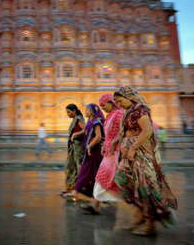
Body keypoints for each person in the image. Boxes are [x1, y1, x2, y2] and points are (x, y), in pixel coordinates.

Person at [113, 86, 177, 236]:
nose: (118, 104)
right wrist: (118, 143)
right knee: (122, 181)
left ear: (129, 96)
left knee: (144, 188)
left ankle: (149, 224)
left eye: (119, 100)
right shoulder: (128, 111)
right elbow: (126, 132)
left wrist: (133, 147)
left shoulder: (140, 110)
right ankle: (141, 215)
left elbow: (147, 130)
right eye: (116, 101)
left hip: (141, 154)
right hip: (128, 155)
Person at [83, 94, 124, 213]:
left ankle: (130, 205)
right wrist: (104, 145)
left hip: (116, 152)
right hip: (108, 153)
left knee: (106, 178)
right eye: (100, 106)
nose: (103, 108)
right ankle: (96, 205)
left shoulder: (119, 114)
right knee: (102, 178)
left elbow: (123, 131)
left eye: (104, 105)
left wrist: (114, 142)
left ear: (111, 102)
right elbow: (107, 135)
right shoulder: (110, 115)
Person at [73, 103, 105, 205]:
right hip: (90, 151)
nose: (85, 112)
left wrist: (89, 146)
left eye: (87, 110)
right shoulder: (90, 121)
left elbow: (98, 136)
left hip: (94, 152)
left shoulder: (96, 122)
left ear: (91, 111)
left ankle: (89, 197)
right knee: (88, 171)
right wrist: (76, 134)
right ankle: (91, 195)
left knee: (89, 171)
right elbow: (85, 131)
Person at [60, 104, 85, 198]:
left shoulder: (79, 119)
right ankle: (71, 188)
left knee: (77, 167)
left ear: (74, 111)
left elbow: (85, 130)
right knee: (71, 167)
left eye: (69, 112)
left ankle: (78, 190)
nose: (68, 114)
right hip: (73, 147)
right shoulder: (75, 119)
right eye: (67, 112)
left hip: (78, 148)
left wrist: (75, 135)